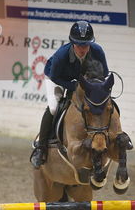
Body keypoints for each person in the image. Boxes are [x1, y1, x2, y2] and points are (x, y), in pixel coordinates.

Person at [30, 20, 109, 169]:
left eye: (86, 45)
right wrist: (74, 85)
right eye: (79, 45)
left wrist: (95, 86)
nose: (83, 49)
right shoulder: (61, 55)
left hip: (83, 82)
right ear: (72, 43)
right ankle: (41, 148)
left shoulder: (97, 51)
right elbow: (55, 77)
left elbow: (104, 73)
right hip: (58, 79)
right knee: (54, 108)